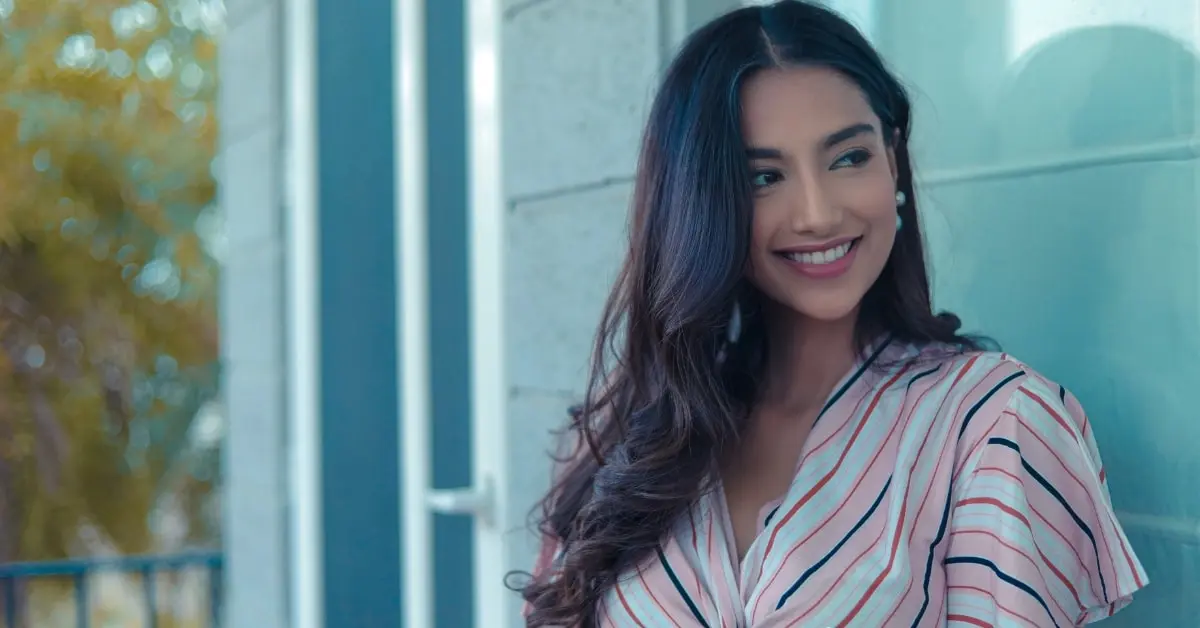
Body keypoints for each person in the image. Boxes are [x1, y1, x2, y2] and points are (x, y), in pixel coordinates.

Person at [515, 1, 1148, 626]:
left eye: (848, 158)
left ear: (893, 160)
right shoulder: (622, 430)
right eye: (763, 177)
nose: (817, 214)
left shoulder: (995, 425)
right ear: (703, 203)